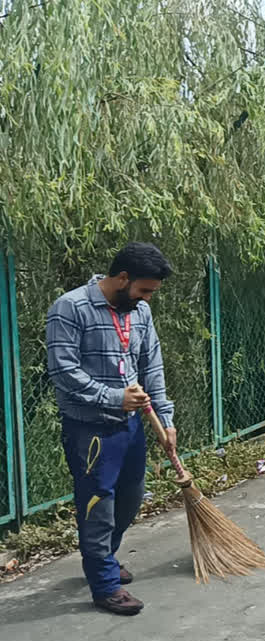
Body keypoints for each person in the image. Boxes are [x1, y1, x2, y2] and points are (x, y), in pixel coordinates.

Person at [45, 243, 177, 616]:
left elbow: (151, 367)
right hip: (91, 430)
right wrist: (113, 397)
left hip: (132, 425)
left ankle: (104, 555)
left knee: (131, 498)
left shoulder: (141, 312)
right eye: (144, 290)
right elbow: (63, 372)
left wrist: (165, 420)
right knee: (97, 505)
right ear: (122, 278)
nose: (147, 298)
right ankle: (104, 584)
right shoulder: (70, 308)